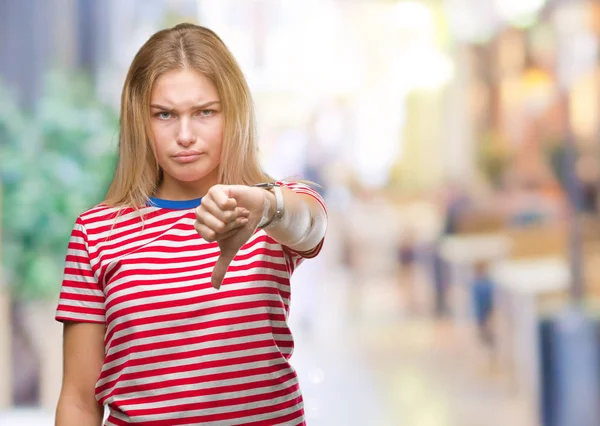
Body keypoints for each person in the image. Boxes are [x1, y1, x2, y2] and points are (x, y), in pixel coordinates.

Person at [54, 23, 327, 426]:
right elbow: (78, 400)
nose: (184, 135)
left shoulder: (272, 208)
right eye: (165, 114)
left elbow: (310, 226)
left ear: (232, 113)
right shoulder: (97, 233)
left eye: (205, 112)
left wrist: (267, 208)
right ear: (140, 122)